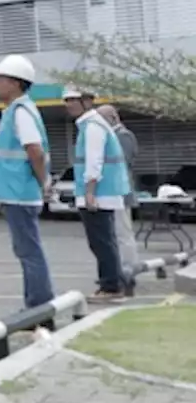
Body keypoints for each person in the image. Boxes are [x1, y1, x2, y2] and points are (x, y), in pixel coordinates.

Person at [0, 55, 56, 312]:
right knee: (27, 251)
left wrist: (44, 182)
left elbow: (35, 151)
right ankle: (35, 305)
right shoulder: (15, 111)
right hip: (17, 193)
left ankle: (39, 307)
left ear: (15, 83)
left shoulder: (21, 112)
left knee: (29, 252)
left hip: (20, 194)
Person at [62, 89, 130, 303]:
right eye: (66, 100)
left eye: (73, 99)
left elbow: (94, 161)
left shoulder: (92, 127)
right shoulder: (92, 125)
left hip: (98, 194)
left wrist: (90, 193)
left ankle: (111, 287)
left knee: (101, 242)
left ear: (87, 101)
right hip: (102, 193)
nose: (68, 104)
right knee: (105, 241)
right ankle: (114, 283)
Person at [97, 105, 139, 297]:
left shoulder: (124, 136)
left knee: (123, 233)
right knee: (113, 234)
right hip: (111, 192)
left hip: (120, 192)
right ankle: (117, 270)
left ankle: (128, 271)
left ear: (113, 117)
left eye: (102, 118)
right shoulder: (110, 135)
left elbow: (123, 162)